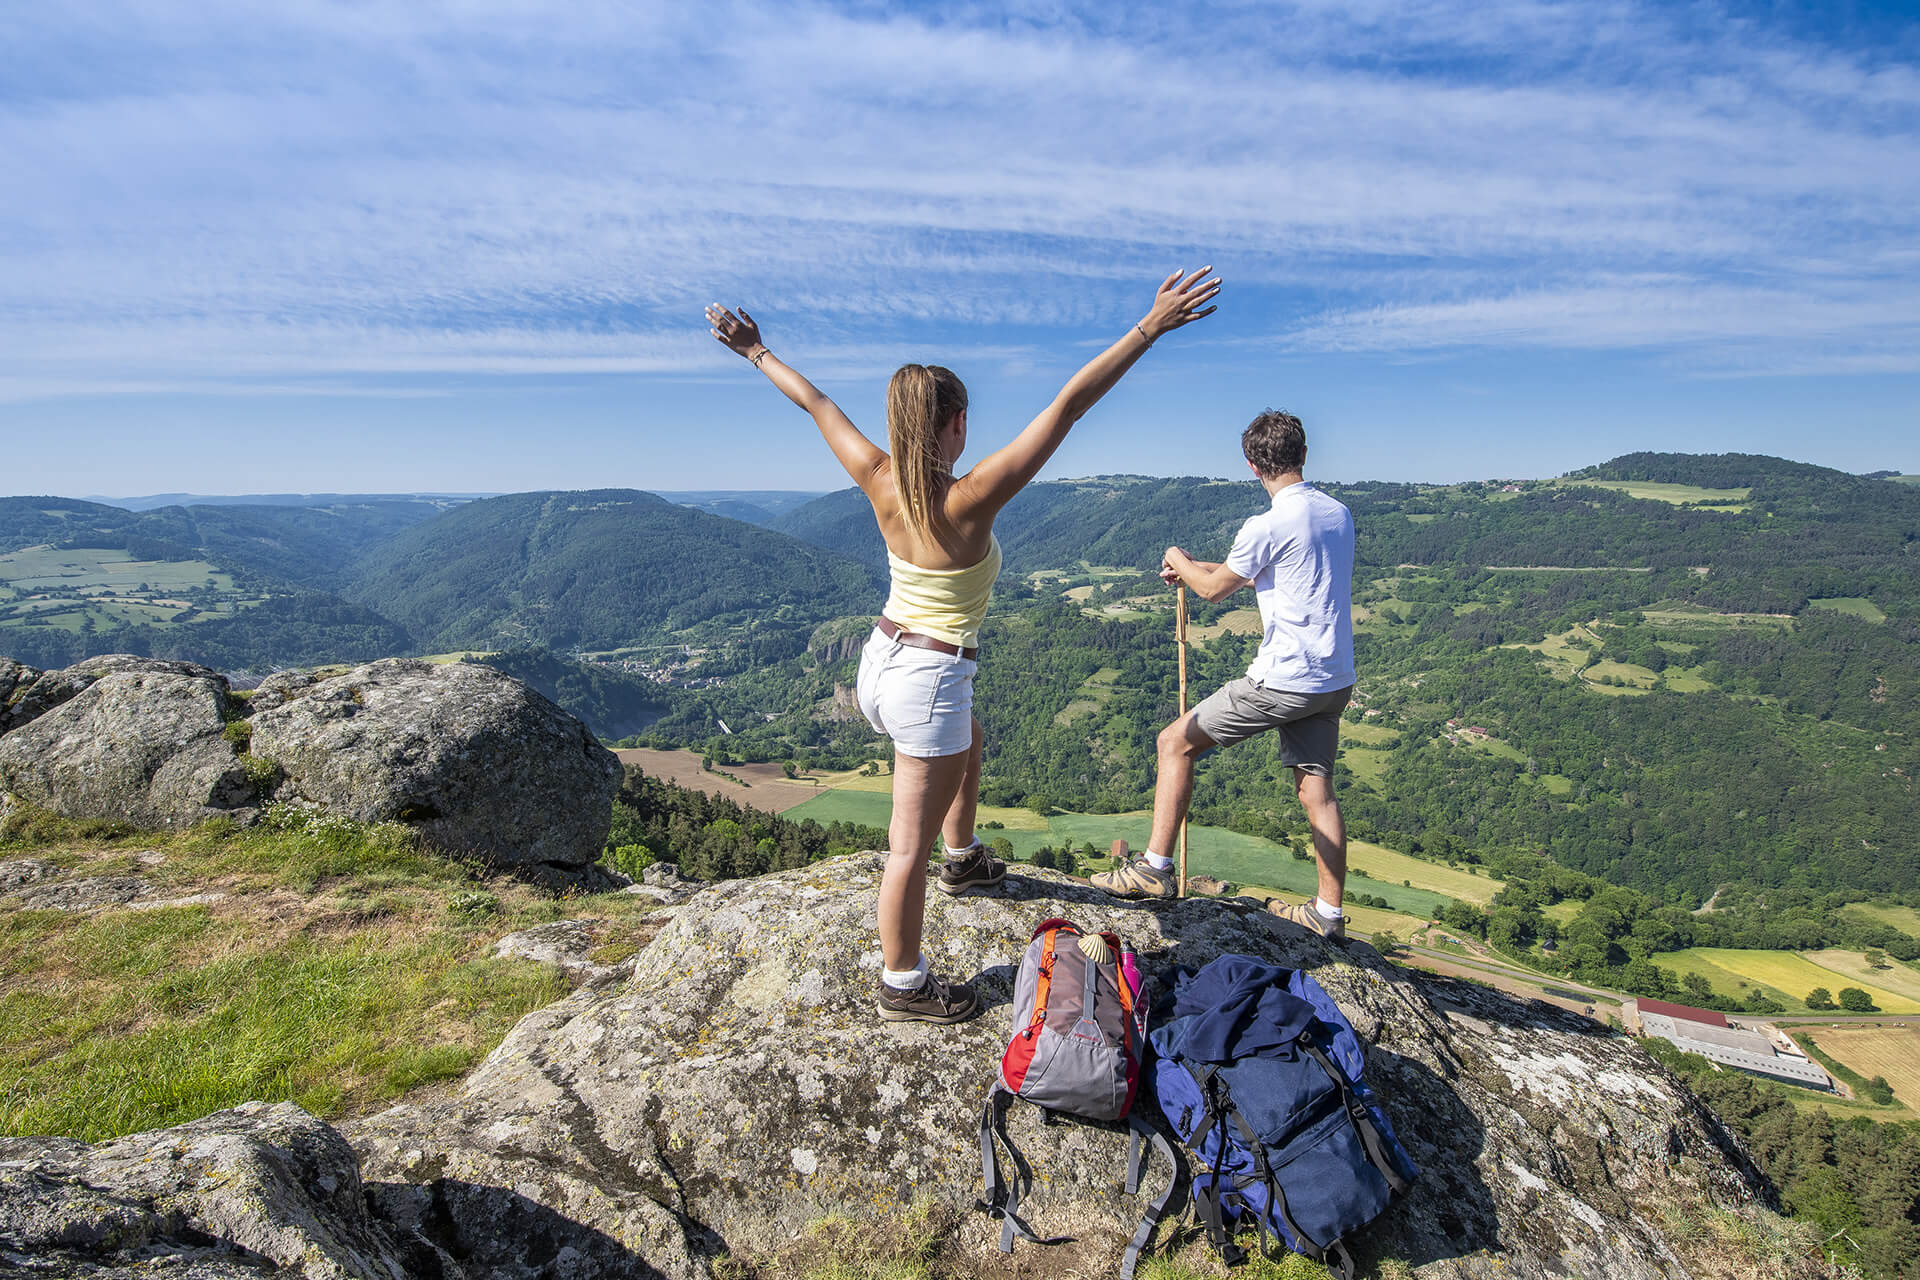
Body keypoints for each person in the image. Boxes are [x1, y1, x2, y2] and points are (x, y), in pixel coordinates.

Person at [706, 268, 1222, 1022]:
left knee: (968, 739)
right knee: (902, 845)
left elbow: (816, 403)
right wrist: (1147, 329)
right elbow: (1067, 407)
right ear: (950, 424)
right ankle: (904, 982)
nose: (969, 432)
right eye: (965, 420)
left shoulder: (879, 476)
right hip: (928, 676)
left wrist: (756, 353)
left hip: (878, 663)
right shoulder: (970, 498)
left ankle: (965, 858)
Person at [1091, 410, 1356, 941]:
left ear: (1252, 463)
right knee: (1316, 790)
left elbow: (1214, 591)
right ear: (1302, 452)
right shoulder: (1336, 513)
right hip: (1333, 680)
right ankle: (1328, 914)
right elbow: (1255, 569)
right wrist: (1197, 566)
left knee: (1175, 743)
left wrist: (1176, 559)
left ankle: (1153, 870)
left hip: (1282, 681)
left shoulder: (1269, 522)